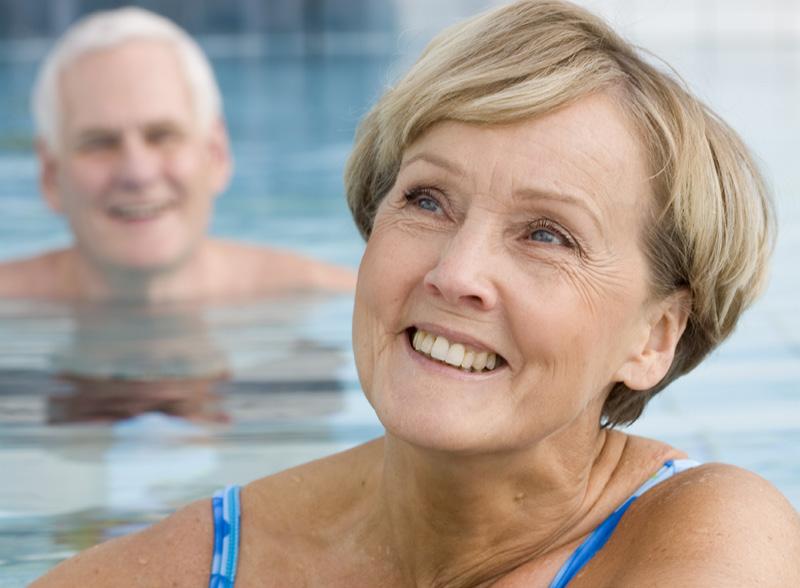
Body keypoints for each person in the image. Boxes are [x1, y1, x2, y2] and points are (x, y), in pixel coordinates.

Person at [33, 1, 800, 586]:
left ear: (655, 336)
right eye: (428, 201)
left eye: (547, 235)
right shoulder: (204, 559)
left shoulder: (713, 536)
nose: (455, 274)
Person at [0, 7, 355, 303]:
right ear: (50, 176)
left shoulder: (330, 298)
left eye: (162, 136)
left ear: (216, 155)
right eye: (99, 143)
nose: (137, 172)